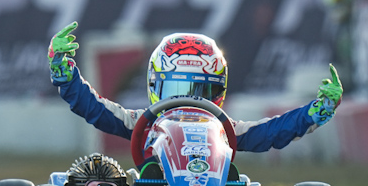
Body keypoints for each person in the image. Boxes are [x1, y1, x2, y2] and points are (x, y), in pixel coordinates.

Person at [47, 22, 342, 159]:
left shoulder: (226, 131)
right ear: (155, 87)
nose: (187, 99)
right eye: (176, 88)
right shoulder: (143, 123)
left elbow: (275, 131)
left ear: (217, 91)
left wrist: (315, 112)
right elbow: (95, 108)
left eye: (199, 90)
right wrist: (65, 74)